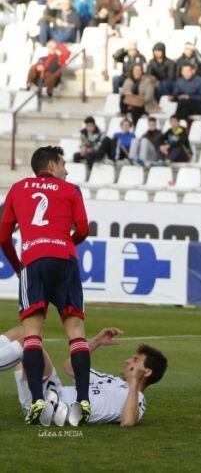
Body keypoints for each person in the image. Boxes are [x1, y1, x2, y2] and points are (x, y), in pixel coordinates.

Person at [0, 146, 91, 426]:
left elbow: (3, 236)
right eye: (63, 164)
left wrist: (19, 267)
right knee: (75, 332)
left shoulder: (17, 188)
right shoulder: (71, 190)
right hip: (66, 261)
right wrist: (63, 246)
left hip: (33, 262)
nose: (67, 170)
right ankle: (83, 402)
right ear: (51, 166)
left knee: (32, 335)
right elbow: (84, 230)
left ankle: (37, 400)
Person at [1, 325, 167, 427]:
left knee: (29, 341)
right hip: (50, 393)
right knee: (25, 331)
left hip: (53, 406)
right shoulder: (110, 381)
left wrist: (134, 383)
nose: (127, 360)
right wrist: (96, 342)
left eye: (135, 360)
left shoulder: (138, 398)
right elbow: (70, 367)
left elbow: (128, 422)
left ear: (147, 372)